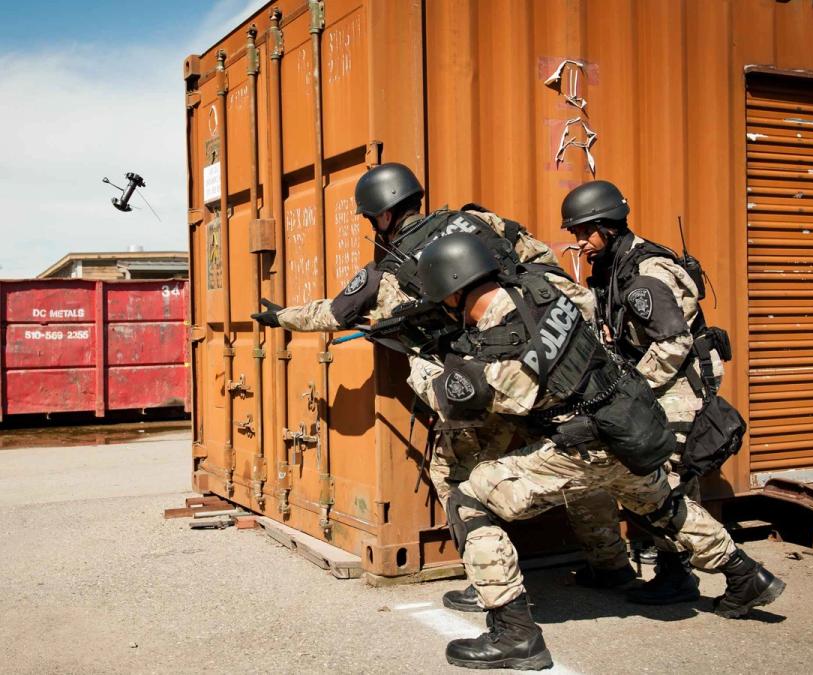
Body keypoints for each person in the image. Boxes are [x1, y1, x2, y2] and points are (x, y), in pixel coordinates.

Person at [250, 163, 633, 609]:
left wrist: (281, 317)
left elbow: (335, 314)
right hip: (552, 363)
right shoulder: (479, 222)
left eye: (372, 218)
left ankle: (488, 581)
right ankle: (612, 566)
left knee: (454, 476)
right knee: (571, 459)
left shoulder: (388, 271)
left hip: (484, 385)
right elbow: (544, 267)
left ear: (385, 216)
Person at [407, 232, 785, 670]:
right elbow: (586, 311)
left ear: (454, 290)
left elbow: (469, 399)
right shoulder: (542, 291)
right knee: (663, 505)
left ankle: (515, 634)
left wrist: (421, 365)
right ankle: (745, 575)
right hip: (624, 429)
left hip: (577, 449)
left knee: (469, 499)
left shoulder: (506, 345)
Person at [561, 179, 735, 605]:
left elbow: (673, 344)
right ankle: (654, 563)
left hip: (675, 383)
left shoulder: (645, 276)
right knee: (643, 475)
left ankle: (680, 575)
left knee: (664, 480)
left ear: (609, 226)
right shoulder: (611, 266)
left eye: (586, 232)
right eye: (576, 234)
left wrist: (630, 391)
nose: (580, 242)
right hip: (652, 380)